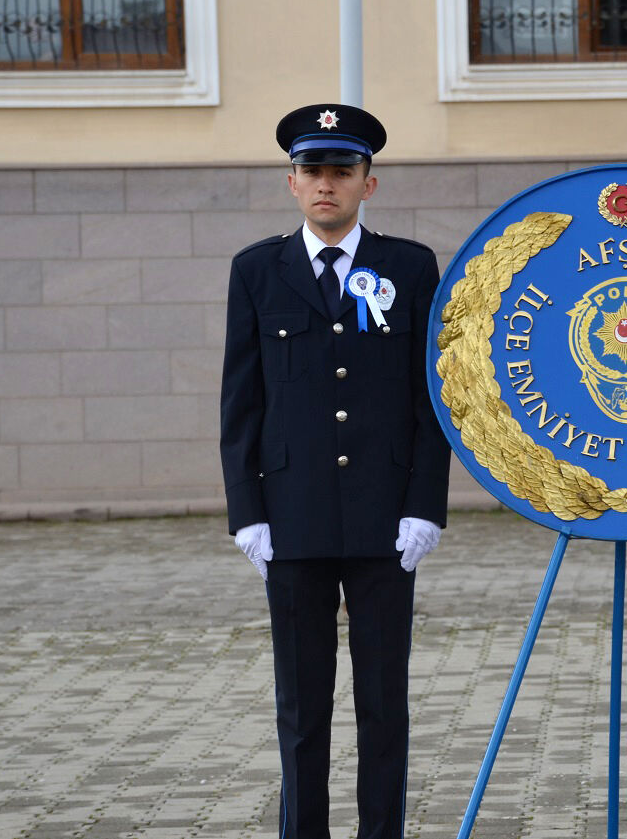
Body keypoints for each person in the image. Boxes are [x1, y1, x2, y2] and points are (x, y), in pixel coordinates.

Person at [220, 103, 451, 839]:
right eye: (312, 171)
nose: (327, 184)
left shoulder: (410, 267)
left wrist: (426, 504)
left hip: (386, 517)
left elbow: (430, 398)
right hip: (292, 516)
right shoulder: (257, 270)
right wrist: (246, 513)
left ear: (368, 184)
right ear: (291, 182)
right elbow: (241, 401)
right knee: (302, 704)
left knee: (384, 701)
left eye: (341, 172)